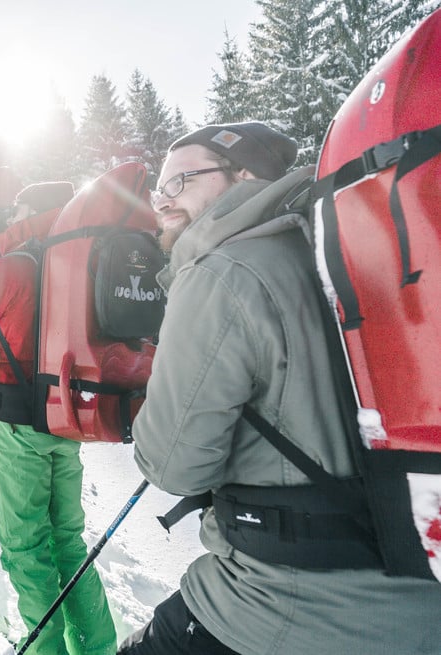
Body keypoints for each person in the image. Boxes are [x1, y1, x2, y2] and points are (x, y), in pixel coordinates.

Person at [119, 122, 441, 654]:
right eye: (160, 188)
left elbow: (172, 466)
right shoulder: (339, 249)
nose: (162, 201)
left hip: (285, 605)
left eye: (181, 181)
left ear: (243, 175)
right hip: (421, 601)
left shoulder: (219, 272)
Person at [0, 182, 114, 655]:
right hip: (64, 422)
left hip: (17, 431)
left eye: (16, 208)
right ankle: (96, 647)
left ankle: (45, 650)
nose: (9, 215)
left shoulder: (16, 265)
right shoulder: (81, 263)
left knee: (27, 550)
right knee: (69, 543)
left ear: (33, 211)